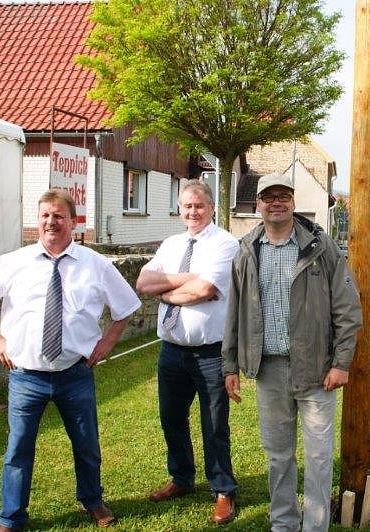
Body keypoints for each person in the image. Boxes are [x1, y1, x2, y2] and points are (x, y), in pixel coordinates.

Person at [0, 189, 141, 531]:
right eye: (45, 216)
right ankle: (10, 516)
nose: (51, 222)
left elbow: (125, 307)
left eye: (59, 216)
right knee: (18, 449)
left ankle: (93, 500)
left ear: (74, 221)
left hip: (74, 374)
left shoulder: (94, 264)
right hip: (26, 376)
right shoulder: (13, 262)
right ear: (37, 220)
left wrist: (106, 343)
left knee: (86, 444)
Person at [223, 172, 362, 532]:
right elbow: (234, 310)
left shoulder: (321, 246)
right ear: (258, 205)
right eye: (269, 197)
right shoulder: (246, 251)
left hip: (317, 371)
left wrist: (341, 363)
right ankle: (283, 523)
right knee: (278, 454)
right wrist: (230, 365)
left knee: (317, 457)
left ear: (294, 202)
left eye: (284, 195)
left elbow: (348, 309)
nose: (277, 202)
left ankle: (315, 527)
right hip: (269, 371)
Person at [136, 180, 238, 525]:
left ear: (211, 207)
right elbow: (143, 283)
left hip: (210, 353)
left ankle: (223, 489)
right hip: (172, 352)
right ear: (179, 210)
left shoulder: (225, 243)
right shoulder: (171, 243)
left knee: (214, 424)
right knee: (171, 419)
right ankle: (182, 479)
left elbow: (207, 288)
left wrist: (167, 290)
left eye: (198, 206)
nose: (192, 212)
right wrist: (187, 279)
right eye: (186, 206)